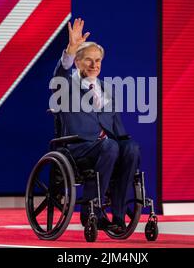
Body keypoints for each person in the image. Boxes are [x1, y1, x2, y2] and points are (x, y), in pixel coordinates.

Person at [52, 18, 140, 233]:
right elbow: (59, 75)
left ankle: (118, 216)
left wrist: (126, 144)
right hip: (78, 148)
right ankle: (93, 210)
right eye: (88, 60)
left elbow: (116, 126)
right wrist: (71, 49)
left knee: (131, 148)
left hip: (107, 147)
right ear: (77, 62)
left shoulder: (107, 89)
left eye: (98, 60)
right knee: (109, 146)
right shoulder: (66, 86)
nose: (95, 65)